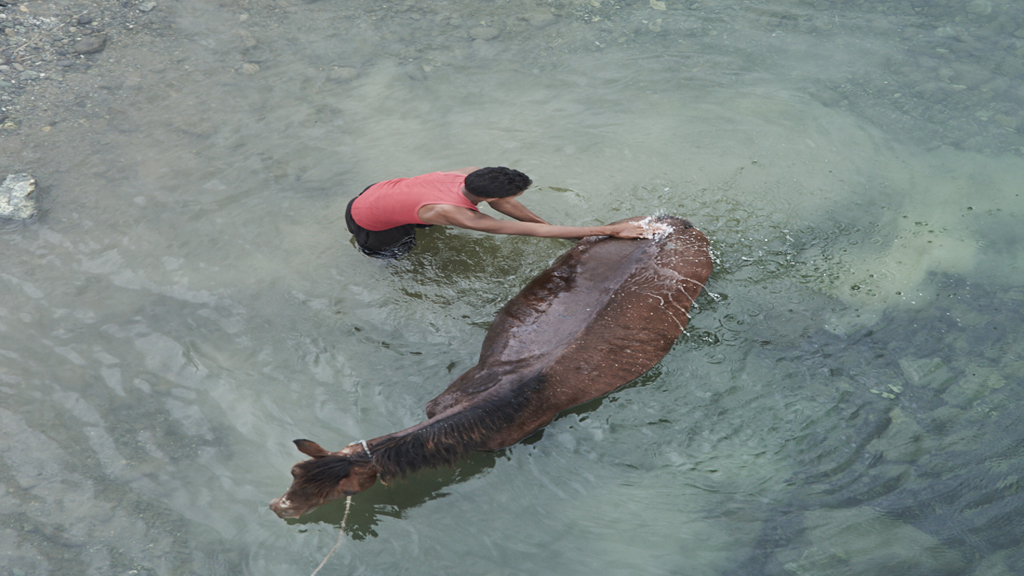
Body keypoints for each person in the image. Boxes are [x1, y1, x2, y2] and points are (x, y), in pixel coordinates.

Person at [345, 166, 647, 258]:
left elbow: (507, 205)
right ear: (486, 197)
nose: (518, 198)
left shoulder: (473, 175)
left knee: (420, 218)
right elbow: (533, 232)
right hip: (371, 223)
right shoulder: (458, 214)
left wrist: (561, 232)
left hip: (378, 193)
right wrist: (609, 230)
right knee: (398, 256)